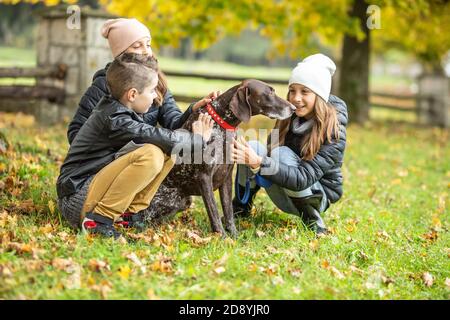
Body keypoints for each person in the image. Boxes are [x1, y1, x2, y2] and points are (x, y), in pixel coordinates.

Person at [56, 53, 214, 239]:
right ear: (132, 94)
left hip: (94, 188)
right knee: (151, 154)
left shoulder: (123, 109)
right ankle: (97, 221)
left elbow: (166, 138)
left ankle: (128, 216)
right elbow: (156, 135)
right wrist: (198, 140)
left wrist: (191, 112)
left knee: (168, 151)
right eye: (152, 90)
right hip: (76, 197)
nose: (156, 96)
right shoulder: (114, 118)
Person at [231, 53, 348, 236]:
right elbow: (269, 153)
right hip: (285, 189)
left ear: (319, 95)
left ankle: (312, 221)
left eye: (305, 91)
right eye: (292, 91)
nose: (296, 98)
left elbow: (302, 177)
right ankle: (240, 208)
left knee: (281, 154)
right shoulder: (288, 116)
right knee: (253, 146)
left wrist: (259, 163)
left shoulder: (334, 130)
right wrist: (253, 161)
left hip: (316, 196)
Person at [67, 17, 219, 145]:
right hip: (113, 161)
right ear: (121, 54)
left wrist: (193, 110)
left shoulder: (156, 82)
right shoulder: (104, 84)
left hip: (141, 155)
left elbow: (173, 123)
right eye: (137, 46)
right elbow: (76, 133)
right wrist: (113, 143)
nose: (146, 50)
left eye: (148, 44)